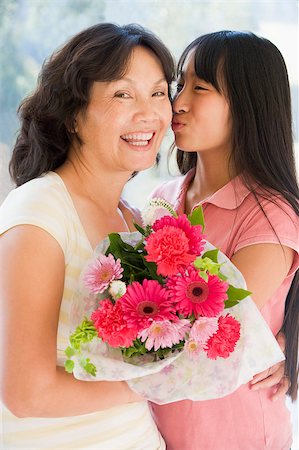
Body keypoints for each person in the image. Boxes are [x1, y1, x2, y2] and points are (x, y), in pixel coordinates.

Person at [0, 23, 174, 449]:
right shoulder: (40, 211)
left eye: (157, 92)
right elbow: (26, 393)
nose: (149, 113)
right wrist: (153, 383)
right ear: (74, 115)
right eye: (122, 94)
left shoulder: (132, 220)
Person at [149, 30, 299, 450]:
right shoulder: (162, 200)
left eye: (200, 88)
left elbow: (207, 335)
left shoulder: (268, 216)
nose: (178, 102)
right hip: (153, 434)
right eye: (181, 84)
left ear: (249, 106)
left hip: (236, 437)